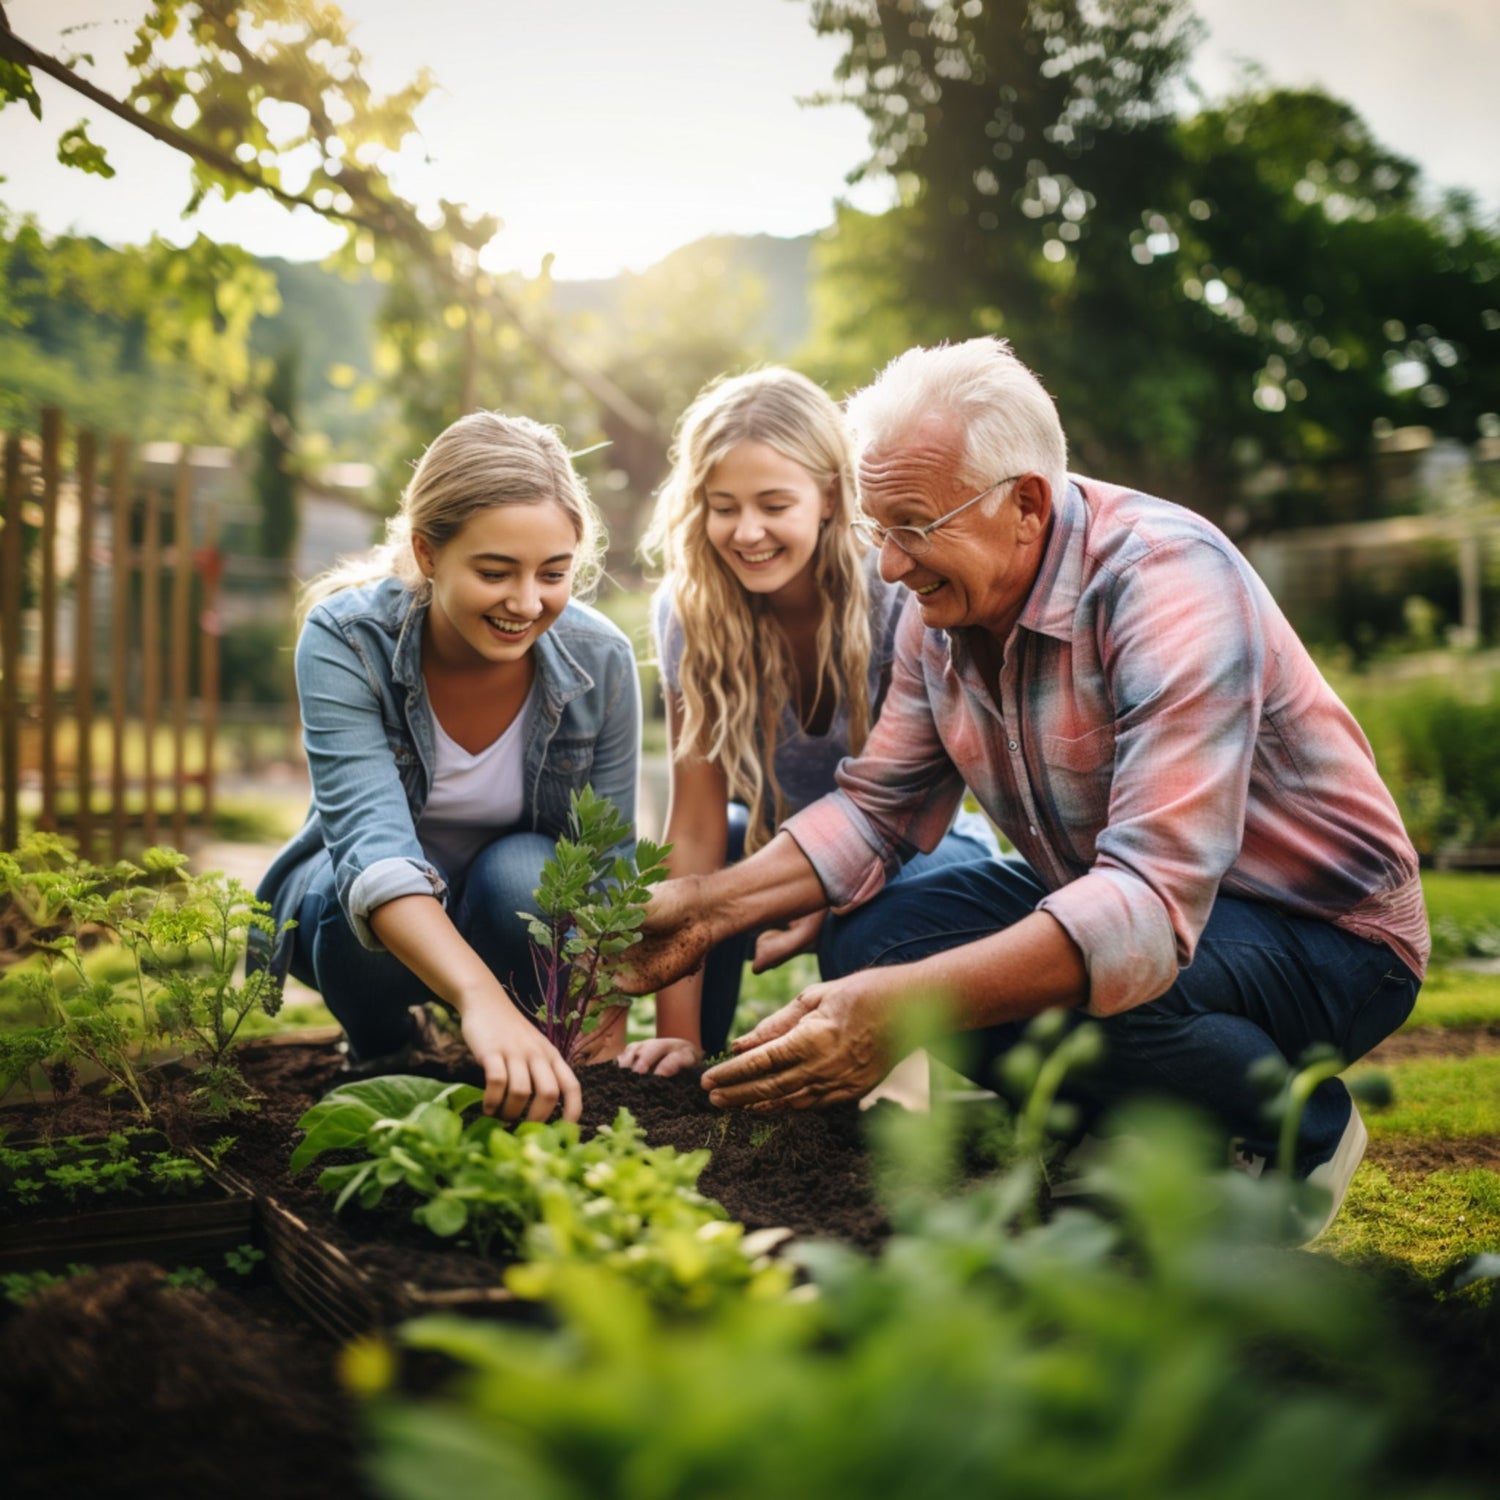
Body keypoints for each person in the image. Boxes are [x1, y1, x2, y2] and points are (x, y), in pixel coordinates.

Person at [616, 338, 1428, 1239]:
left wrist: (902, 1010)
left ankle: (1291, 1129)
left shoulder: (1164, 581)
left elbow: (1149, 908)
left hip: (1325, 940)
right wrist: (704, 907)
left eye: (911, 528)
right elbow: (877, 810)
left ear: (1026, 504)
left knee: (1058, 971)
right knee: (881, 937)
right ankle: (1112, 1126)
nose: (888, 566)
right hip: (1134, 912)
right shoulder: (947, 609)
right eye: (877, 530)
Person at [253, 411, 641, 1123]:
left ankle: (524, 1044)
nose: (527, 603)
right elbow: (373, 853)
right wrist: (481, 1001)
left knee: (532, 869)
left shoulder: (603, 660)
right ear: (427, 553)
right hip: (354, 923)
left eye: (553, 574)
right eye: (495, 572)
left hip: (503, 910)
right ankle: (382, 1045)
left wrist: (601, 1031)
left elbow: (608, 863)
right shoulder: (346, 640)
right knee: (354, 898)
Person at [617, 367, 994, 1077]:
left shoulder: (896, 595)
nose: (746, 531)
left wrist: (827, 891)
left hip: (918, 848)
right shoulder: (689, 612)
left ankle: (909, 1078)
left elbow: (912, 807)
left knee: (879, 917)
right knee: (724, 841)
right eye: (722, 506)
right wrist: (675, 1030)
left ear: (828, 495)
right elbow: (694, 825)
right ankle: (699, 1054)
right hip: (775, 848)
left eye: (772, 503)